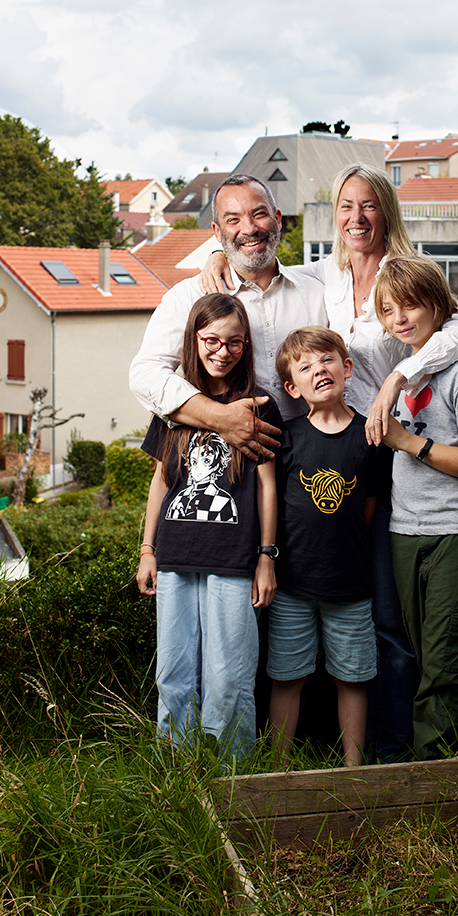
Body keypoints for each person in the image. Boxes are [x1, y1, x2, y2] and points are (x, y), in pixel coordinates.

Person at [200, 163, 458, 761]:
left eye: (369, 206)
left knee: (383, 615)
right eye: (346, 207)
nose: (357, 218)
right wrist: (216, 264)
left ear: (387, 211)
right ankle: (311, 751)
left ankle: (390, 752)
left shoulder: (406, 275)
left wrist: (399, 377)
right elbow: (261, 267)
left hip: (389, 454)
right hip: (326, 448)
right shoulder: (321, 276)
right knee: (309, 610)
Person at [136, 294, 282, 758]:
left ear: (247, 345)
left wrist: (266, 557)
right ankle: (175, 768)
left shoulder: (260, 405)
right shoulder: (175, 404)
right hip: (176, 555)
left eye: (235, 342)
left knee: (230, 673)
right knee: (172, 673)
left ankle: (233, 775)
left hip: (234, 561)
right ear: (194, 339)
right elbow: (161, 482)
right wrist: (147, 549)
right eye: (211, 340)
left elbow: (266, 488)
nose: (222, 351)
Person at [373, 255, 458, 762]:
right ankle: (422, 778)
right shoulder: (398, 374)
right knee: (420, 662)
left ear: (437, 306)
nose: (399, 318)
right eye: (387, 310)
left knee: (446, 670)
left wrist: (407, 442)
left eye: (410, 305)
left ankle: (439, 785)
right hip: (406, 532)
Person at [129, 174, 327, 455]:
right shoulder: (189, 296)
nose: (249, 228)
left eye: (259, 214)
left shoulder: (316, 290)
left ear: (278, 218)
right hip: (235, 469)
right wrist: (218, 418)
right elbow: (144, 375)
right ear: (217, 231)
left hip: (311, 459)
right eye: (233, 220)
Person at [268, 327, 387, 767]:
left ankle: (355, 773)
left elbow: (370, 505)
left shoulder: (370, 437)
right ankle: (277, 770)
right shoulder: (287, 437)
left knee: (353, 679)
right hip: (292, 586)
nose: (319, 370)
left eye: (327, 360)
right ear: (291, 387)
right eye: (305, 367)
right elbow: (275, 506)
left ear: (347, 368)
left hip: (351, 587)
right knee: (286, 677)